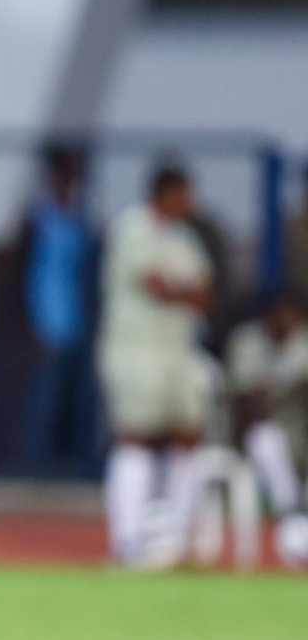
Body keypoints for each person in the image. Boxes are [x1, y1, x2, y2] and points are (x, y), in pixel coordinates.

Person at [98, 164, 214, 567]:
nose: (191, 203)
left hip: (178, 349)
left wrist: (180, 290)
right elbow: (155, 285)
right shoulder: (133, 228)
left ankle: (174, 542)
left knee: (188, 435)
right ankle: (127, 542)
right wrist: (183, 290)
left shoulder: (185, 239)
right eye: (184, 194)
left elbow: (204, 294)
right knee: (136, 436)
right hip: (135, 348)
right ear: (164, 193)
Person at [12, 144, 98, 475]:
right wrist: (26, 323)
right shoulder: (39, 214)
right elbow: (18, 269)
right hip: (47, 320)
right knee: (46, 397)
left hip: (78, 320)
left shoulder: (79, 213)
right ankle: (36, 465)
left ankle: (79, 464)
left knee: (81, 399)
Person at [226, 294, 308, 523]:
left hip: (299, 426)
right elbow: (247, 402)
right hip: (254, 432)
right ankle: (290, 511)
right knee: (266, 438)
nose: (287, 321)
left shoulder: (303, 340)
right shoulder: (247, 340)